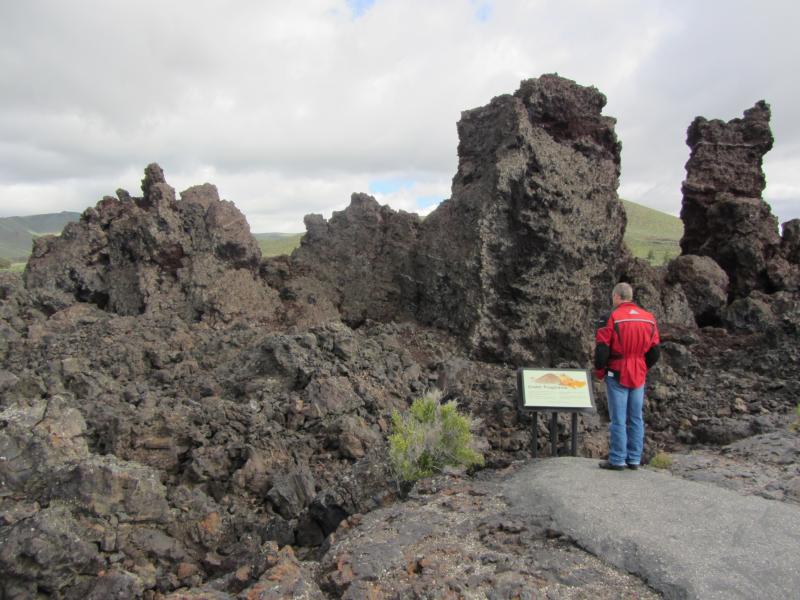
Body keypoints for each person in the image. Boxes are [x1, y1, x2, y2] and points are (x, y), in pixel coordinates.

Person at [594, 282, 660, 470]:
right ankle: (634, 459)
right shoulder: (649, 318)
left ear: (616, 296)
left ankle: (617, 459)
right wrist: (642, 366)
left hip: (618, 371)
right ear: (630, 297)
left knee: (618, 418)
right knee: (636, 417)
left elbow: (602, 348)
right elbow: (655, 351)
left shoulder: (611, 317)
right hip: (638, 371)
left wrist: (600, 371)